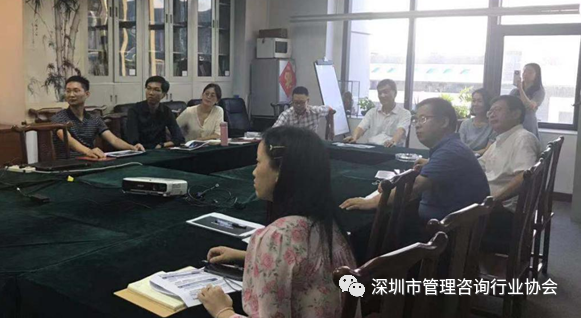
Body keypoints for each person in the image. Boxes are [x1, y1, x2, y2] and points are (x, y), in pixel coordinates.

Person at [197, 126, 356, 318]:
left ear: (280, 170)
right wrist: (247, 255)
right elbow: (304, 263)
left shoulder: (278, 237)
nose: (254, 172)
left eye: (258, 162)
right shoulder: (328, 222)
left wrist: (223, 311)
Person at [339, 98, 489, 224]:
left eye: (423, 119)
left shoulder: (450, 151)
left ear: (444, 122)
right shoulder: (451, 147)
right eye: (416, 119)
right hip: (443, 223)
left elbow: (414, 187)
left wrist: (370, 202)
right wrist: (430, 163)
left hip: (445, 233)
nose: (417, 124)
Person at [479, 95, 540, 253]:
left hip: (503, 212)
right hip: (491, 204)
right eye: (490, 111)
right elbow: (480, 164)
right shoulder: (501, 139)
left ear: (516, 114)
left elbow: (525, 177)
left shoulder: (523, 139)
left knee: (445, 215)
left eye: (497, 110)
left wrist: (494, 199)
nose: (491, 115)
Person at [52, 76, 144, 158]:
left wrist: (132, 147)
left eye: (76, 91)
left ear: (87, 94)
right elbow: (68, 139)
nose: (71, 95)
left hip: (91, 160)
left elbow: (113, 140)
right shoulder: (59, 117)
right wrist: (88, 151)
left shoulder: (94, 118)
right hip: (68, 163)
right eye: (68, 91)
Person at [343, 79, 411, 147]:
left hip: (392, 149)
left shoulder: (405, 113)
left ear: (395, 93)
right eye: (379, 93)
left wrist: (392, 141)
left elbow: (400, 131)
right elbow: (361, 127)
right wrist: (354, 138)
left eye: (385, 92)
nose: (382, 95)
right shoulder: (372, 112)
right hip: (372, 148)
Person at [125, 76, 185, 149]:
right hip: (140, 150)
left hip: (160, 150)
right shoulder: (134, 110)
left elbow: (179, 138)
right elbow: (132, 140)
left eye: (156, 90)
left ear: (163, 95)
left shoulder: (166, 111)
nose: (151, 93)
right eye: (148, 88)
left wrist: (162, 145)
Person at [510, 63, 545, 138]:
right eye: (524, 71)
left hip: (528, 122)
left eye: (530, 72)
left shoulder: (539, 91)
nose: (526, 74)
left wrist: (520, 89)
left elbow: (530, 106)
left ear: (536, 75)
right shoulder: (515, 91)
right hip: (514, 122)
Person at [459, 88, 496, 153]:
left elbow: (487, 150)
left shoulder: (493, 126)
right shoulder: (465, 124)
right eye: (474, 101)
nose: (475, 104)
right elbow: (460, 146)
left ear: (486, 103)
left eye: (479, 101)